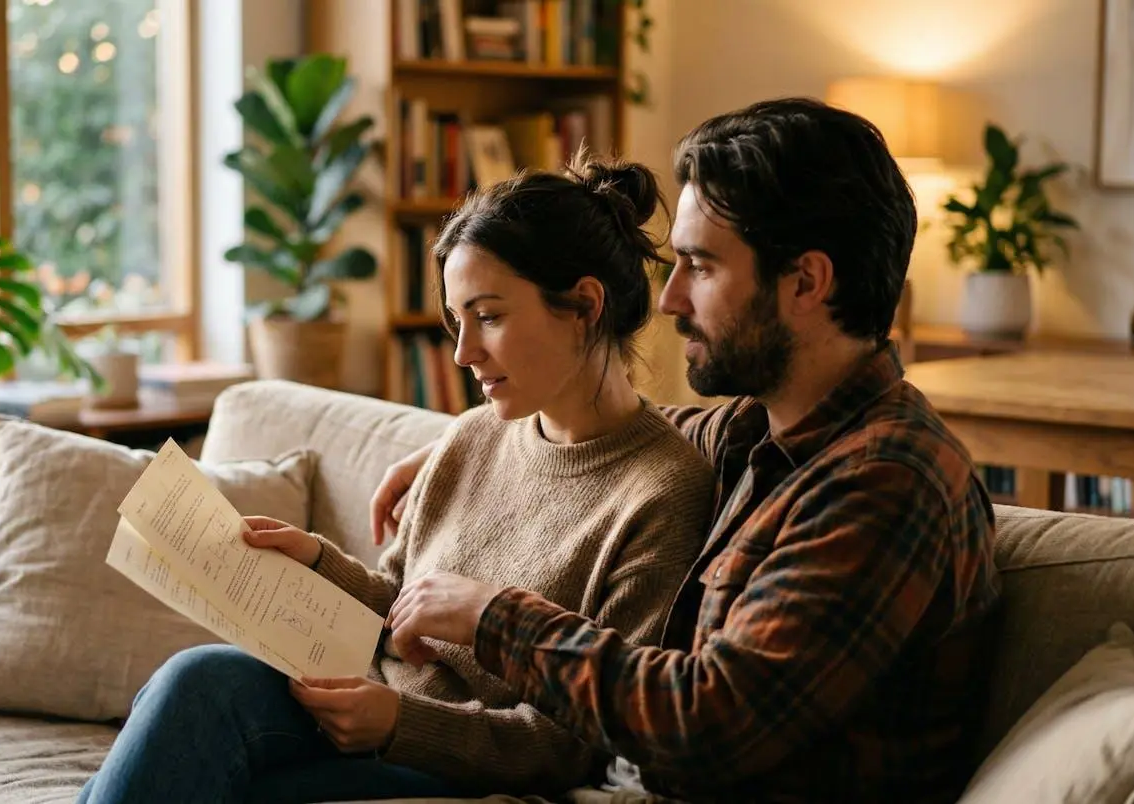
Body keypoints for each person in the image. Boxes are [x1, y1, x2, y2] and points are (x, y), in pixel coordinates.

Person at [375, 97, 1002, 804]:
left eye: (700, 266)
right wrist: (465, 447)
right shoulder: (759, 436)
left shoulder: (885, 485)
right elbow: (615, 428)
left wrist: (493, 617)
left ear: (806, 282)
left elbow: (706, 723)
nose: (669, 299)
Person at [76, 153, 718, 804]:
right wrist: (315, 560)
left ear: (584, 305)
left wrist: (400, 723)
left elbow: (579, 739)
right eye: (456, 321)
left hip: (452, 760)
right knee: (197, 683)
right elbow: (398, 604)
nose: (464, 353)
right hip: (366, 703)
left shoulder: (661, 492)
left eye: (489, 316)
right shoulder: (472, 435)